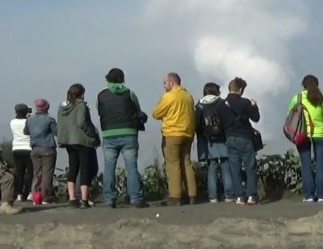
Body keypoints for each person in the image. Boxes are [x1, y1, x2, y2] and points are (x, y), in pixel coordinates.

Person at [97, 68, 148, 208]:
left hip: (108, 134)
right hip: (129, 133)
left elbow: (99, 111)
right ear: (122, 79)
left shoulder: (100, 95)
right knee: (131, 167)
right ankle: (136, 199)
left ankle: (109, 199)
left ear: (107, 79)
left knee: (109, 168)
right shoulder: (129, 93)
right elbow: (138, 110)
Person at [151, 72, 197, 206]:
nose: (164, 86)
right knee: (186, 164)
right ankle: (192, 195)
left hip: (172, 134)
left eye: (165, 83)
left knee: (173, 165)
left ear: (172, 83)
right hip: (187, 134)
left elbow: (156, 113)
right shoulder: (188, 96)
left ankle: (175, 197)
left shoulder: (169, 96)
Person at [288, 75, 323, 202]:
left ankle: (308, 195)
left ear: (303, 85)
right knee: (320, 164)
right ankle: (322, 195)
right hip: (320, 135)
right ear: (317, 84)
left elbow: (290, 114)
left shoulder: (297, 98)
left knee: (306, 165)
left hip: (303, 134)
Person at [57, 83, 101, 209]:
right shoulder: (80, 105)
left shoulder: (62, 107)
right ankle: (84, 200)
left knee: (73, 169)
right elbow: (81, 122)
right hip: (82, 141)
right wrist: (91, 133)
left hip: (68, 142)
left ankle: (72, 199)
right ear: (81, 94)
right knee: (85, 170)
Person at [195, 82, 236, 203]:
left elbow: (197, 125)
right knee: (225, 165)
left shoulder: (200, 105)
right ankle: (229, 195)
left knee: (212, 167)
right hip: (222, 138)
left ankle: (213, 196)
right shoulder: (222, 103)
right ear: (216, 91)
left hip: (208, 141)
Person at [224, 77, 261, 206]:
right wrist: (254, 107)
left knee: (235, 168)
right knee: (250, 166)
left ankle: (239, 196)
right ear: (240, 90)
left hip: (229, 138)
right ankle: (251, 196)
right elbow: (255, 118)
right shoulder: (245, 103)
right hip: (244, 138)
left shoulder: (222, 104)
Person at [26, 98, 58, 204]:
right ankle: (45, 196)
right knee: (47, 173)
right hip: (48, 148)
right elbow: (57, 132)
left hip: (35, 149)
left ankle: (35, 195)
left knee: (37, 173)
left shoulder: (29, 119)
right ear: (47, 108)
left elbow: (26, 131)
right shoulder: (49, 119)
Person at [10, 103, 35, 202]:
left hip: (16, 148)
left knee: (19, 172)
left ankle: (18, 194)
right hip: (28, 148)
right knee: (29, 172)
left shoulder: (12, 122)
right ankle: (28, 193)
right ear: (26, 112)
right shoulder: (29, 121)